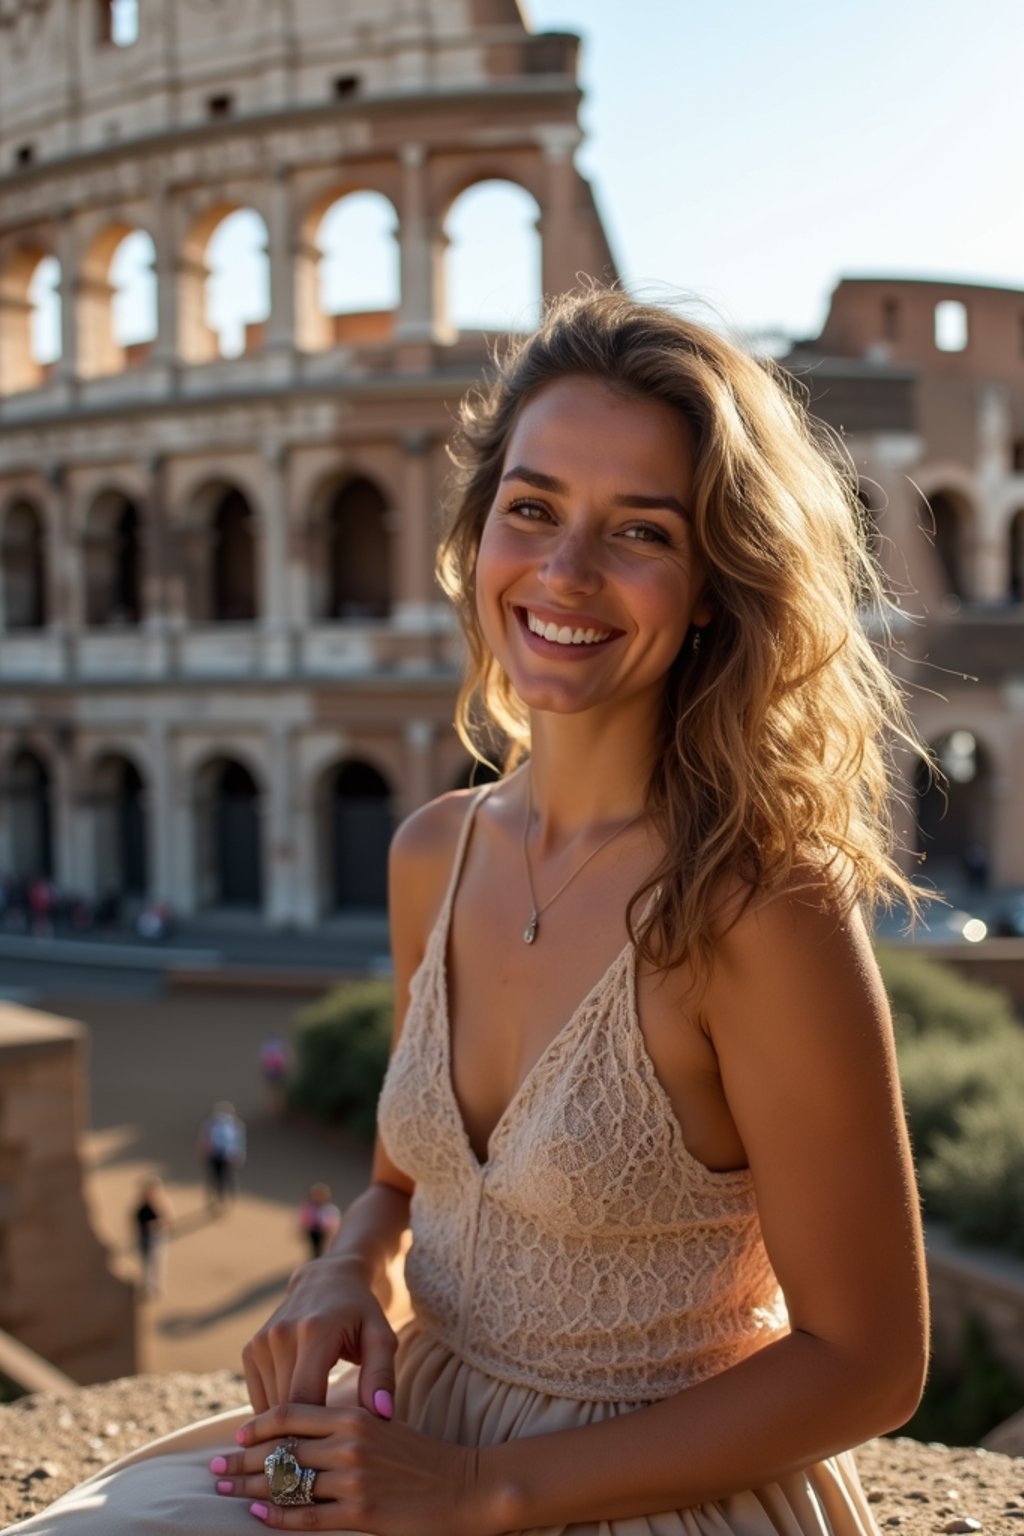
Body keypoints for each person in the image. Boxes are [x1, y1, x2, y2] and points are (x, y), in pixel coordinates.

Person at [16, 290, 929, 1534]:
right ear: (477, 529)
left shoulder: (758, 908)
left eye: (641, 533)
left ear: (717, 583)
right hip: (417, 1435)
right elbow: (406, 1179)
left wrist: (480, 1490)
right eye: (534, 509)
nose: (565, 572)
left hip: (643, 1490)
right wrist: (346, 1264)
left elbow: (870, 1361)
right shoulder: (433, 851)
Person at [198, 1101, 246, 1212]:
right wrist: (203, 1152)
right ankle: (217, 1198)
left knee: (228, 1178)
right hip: (214, 1155)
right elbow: (204, 1139)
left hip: (228, 1156)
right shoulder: (210, 1124)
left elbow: (239, 1141)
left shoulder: (236, 1126)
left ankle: (228, 1197)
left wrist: (239, 1154)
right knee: (215, 1177)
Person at [132, 1175, 171, 1299]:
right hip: (144, 1239)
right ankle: (147, 1286)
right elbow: (135, 1220)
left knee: (157, 1263)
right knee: (147, 1263)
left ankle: (156, 1285)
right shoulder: (141, 1206)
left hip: (157, 1239)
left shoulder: (160, 1204)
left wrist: (157, 1225)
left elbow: (167, 1220)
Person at [298, 1182, 342, 1261]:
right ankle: (315, 1258)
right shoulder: (308, 1207)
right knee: (314, 1247)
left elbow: (334, 1222)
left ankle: (318, 1258)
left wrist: (331, 1231)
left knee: (321, 1247)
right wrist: (303, 1229)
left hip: (323, 1232)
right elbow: (304, 1219)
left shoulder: (330, 1208)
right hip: (312, 1230)